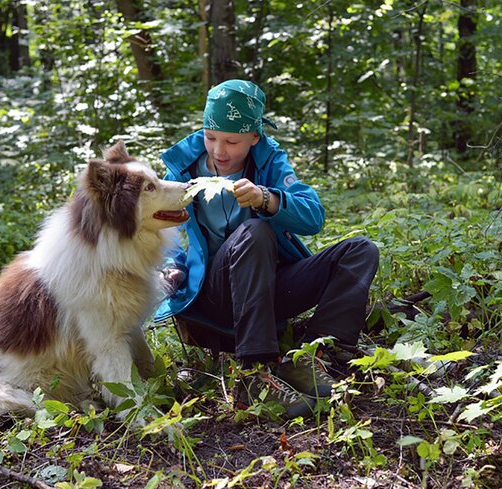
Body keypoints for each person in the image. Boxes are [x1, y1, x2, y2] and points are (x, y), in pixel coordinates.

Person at [154, 79, 379, 418]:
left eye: (232, 141)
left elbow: (313, 215)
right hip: (212, 298)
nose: (219, 151)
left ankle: (314, 357)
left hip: (266, 289)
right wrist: (171, 267)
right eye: (210, 137)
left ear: (254, 137)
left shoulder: (270, 160)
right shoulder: (182, 169)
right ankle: (253, 374)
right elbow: (162, 233)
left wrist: (267, 198)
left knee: (360, 250)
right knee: (255, 232)